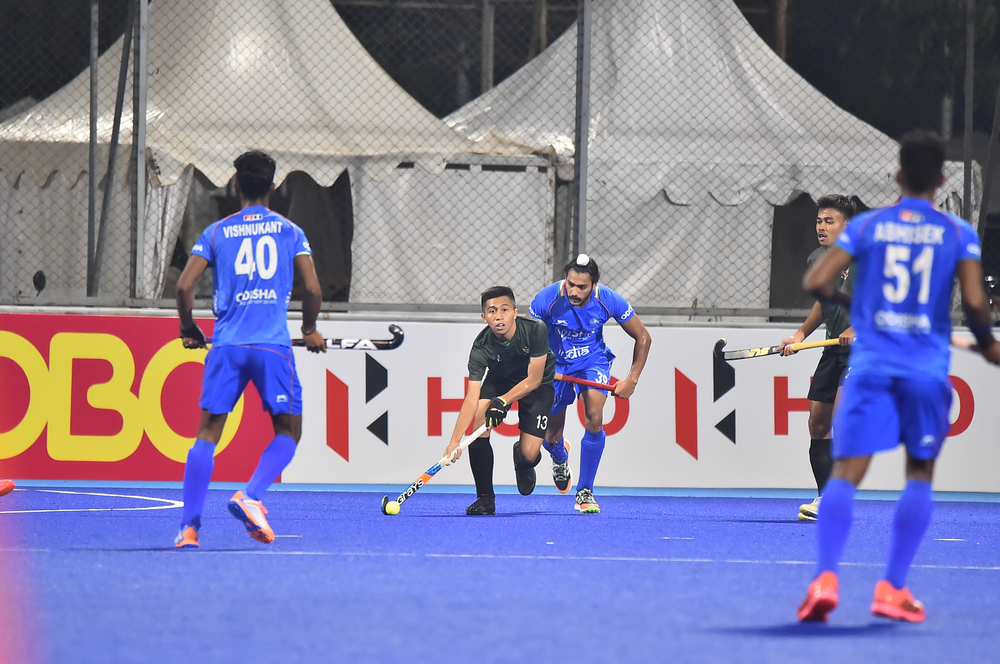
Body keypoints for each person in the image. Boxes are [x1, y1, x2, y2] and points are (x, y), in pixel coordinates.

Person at [797, 130, 1000, 623]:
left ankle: (825, 579)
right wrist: (989, 344)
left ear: (898, 175)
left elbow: (817, 280)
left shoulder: (869, 225)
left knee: (846, 471)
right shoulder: (956, 232)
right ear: (942, 179)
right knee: (919, 473)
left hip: (871, 363)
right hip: (923, 367)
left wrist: (862, 310)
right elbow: (976, 304)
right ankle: (892, 586)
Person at [173, 150, 326, 548]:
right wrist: (309, 329)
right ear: (274, 186)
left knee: (207, 433)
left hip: (226, 346)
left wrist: (188, 328)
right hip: (271, 347)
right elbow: (312, 288)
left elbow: (184, 286)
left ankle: (189, 530)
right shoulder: (290, 231)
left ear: (236, 184)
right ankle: (251, 495)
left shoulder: (216, 232)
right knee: (289, 431)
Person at [528, 255, 651, 513]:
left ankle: (585, 491)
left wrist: (632, 380)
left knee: (595, 417)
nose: (574, 291)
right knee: (551, 436)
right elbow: (526, 338)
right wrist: (538, 369)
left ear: (594, 285)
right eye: (570, 284)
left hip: (591, 362)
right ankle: (559, 455)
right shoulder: (547, 298)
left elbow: (643, 336)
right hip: (555, 365)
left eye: (581, 287)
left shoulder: (607, 299)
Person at [776, 195, 859, 522]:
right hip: (832, 349)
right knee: (818, 423)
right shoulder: (818, 259)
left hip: (864, 351)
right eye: (819, 221)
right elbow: (824, 305)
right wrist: (799, 335)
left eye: (829, 221)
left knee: (841, 420)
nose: (821, 227)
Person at [444, 286, 556, 515]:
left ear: (515, 312)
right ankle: (485, 499)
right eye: (492, 311)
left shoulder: (536, 329)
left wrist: (502, 401)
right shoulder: (481, 347)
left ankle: (522, 460)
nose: (498, 316)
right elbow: (471, 398)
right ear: (484, 317)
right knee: (479, 419)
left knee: (529, 454)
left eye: (504, 310)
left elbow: (533, 380)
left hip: (538, 383)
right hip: (501, 378)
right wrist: (454, 441)